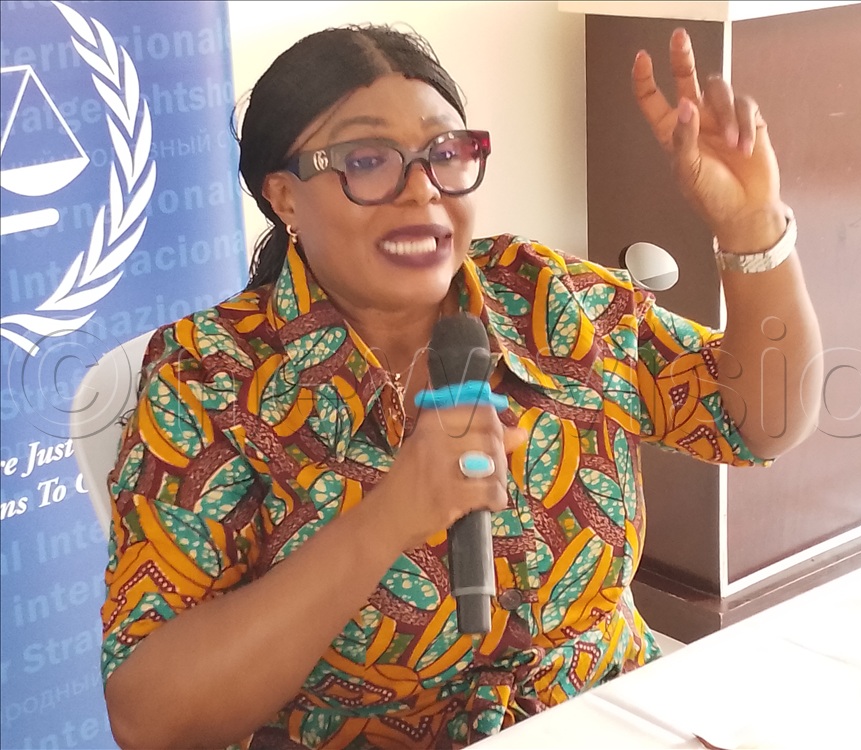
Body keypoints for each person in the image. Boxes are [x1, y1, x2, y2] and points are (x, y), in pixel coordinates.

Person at [100, 23, 822, 749]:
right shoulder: (209, 375)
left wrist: (755, 231)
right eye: (369, 160)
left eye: (446, 154)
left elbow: (759, 424)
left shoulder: (546, 297)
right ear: (284, 196)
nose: (422, 191)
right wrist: (389, 518)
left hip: (611, 720)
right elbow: (151, 718)